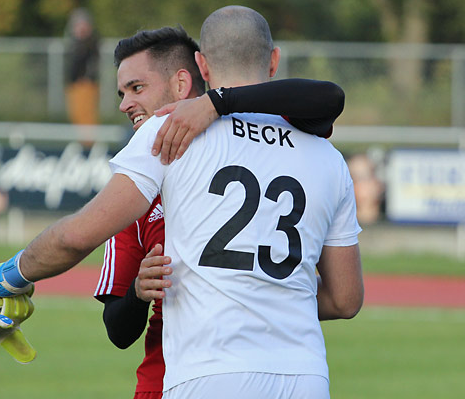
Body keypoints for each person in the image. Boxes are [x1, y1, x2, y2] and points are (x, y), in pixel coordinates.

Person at [0, 6, 363, 399]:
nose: (127, 103)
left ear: (200, 66)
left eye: (136, 89)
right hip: (306, 378)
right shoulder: (327, 156)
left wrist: (13, 273)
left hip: (209, 376)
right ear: (274, 60)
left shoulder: (172, 130)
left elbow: (74, 237)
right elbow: (345, 299)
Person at [94, 27, 349, 399]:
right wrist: (138, 293)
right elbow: (118, 331)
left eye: (136, 88)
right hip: (167, 381)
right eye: (122, 93)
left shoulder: (249, 145)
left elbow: (327, 97)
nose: (124, 104)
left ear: (185, 80)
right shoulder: (138, 184)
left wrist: (216, 103)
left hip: (233, 372)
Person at [65, 8, 100, 125]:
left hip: (85, 83)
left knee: (86, 114)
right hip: (74, 83)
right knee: (76, 114)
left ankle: (89, 141)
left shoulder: (90, 43)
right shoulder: (74, 43)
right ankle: (81, 140)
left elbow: (92, 63)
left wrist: (87, 77)